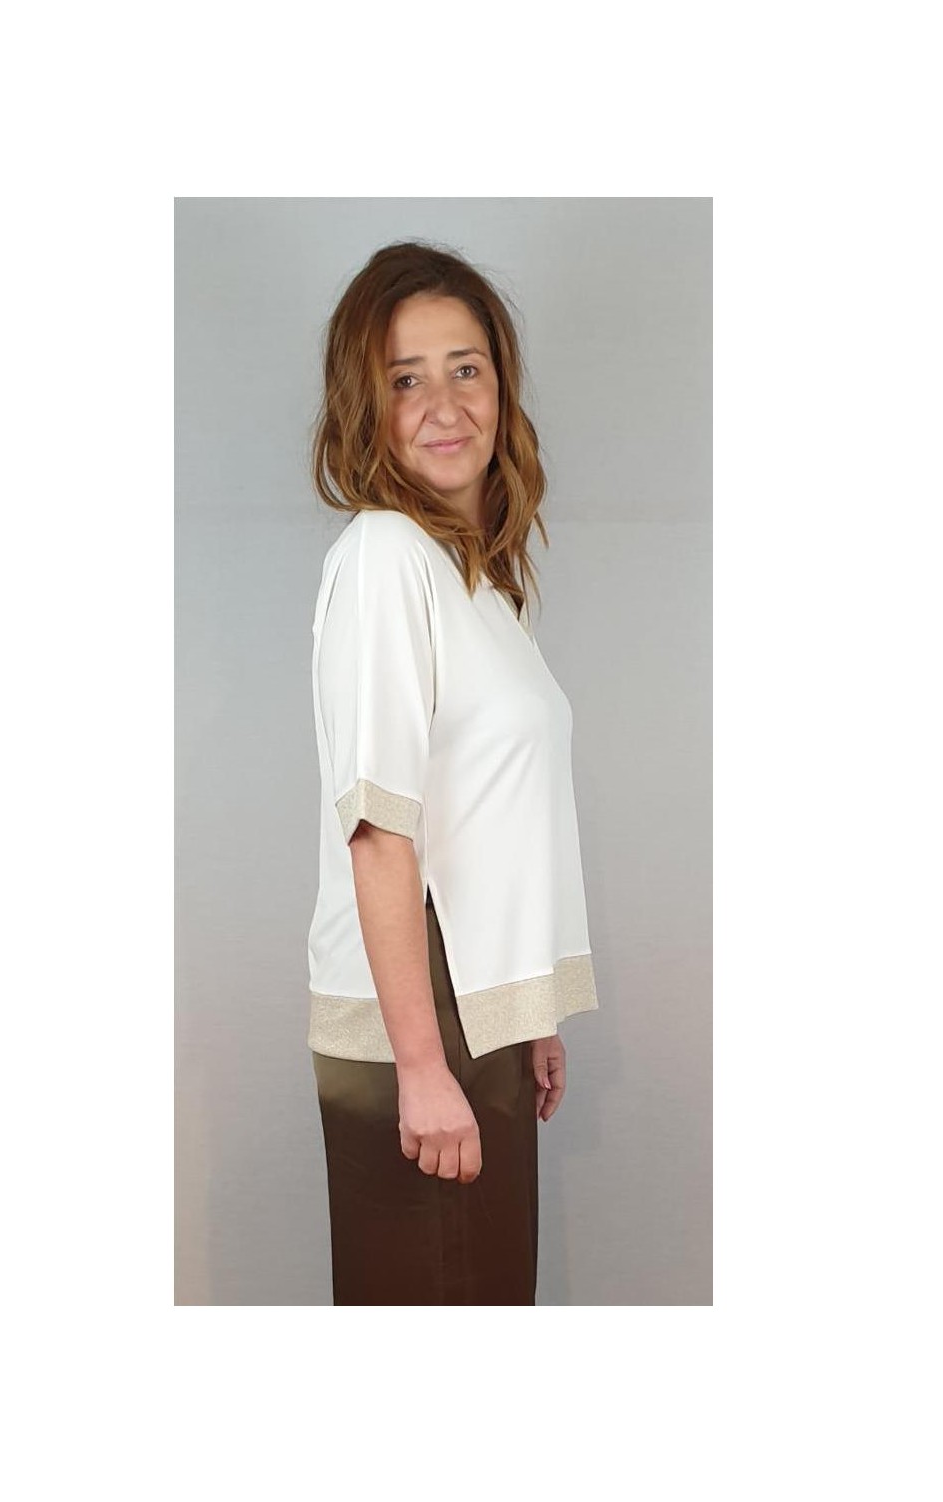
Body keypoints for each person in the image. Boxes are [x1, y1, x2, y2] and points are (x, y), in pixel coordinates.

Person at [306, 240, 598, 1305]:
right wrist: (423, 1069)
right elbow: (381, 830)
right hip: (421, 1019)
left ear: (500, 386)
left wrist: (531, 1009)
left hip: (477, 1016)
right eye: (404, 379)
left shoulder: (481, 585)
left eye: (464, 368)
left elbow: (489, 819)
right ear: (366, 408)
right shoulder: (385, 555)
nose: (442, 404)